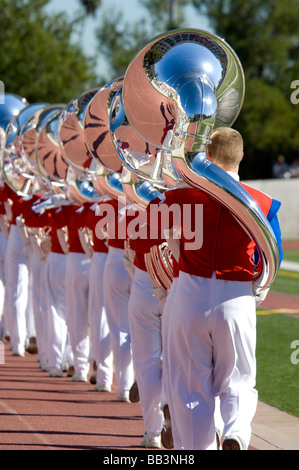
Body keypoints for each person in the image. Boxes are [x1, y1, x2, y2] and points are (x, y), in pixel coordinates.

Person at [149, 127, 283, 450]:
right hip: (236, 296)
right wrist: (259, 289)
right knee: (238, 378)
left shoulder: (182, 195)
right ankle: (236, 432)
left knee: (192, 387)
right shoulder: (263, 203)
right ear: (241, 158)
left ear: (206, 156)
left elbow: (149, 223)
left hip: (190, 292)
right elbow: (271, 254)